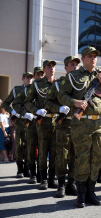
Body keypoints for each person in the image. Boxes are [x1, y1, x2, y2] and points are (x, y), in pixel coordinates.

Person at [58, 46, 101, 208]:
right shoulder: (73, 76)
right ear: (83, 59)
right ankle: (80, 194)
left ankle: (91, 192)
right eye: (89, 56)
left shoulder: (100, 76)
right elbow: (61, 95)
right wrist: (75, 102)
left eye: (95, 56)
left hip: (99, 124)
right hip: (81, 124)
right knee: (82, 159)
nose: (93, 58)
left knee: (96, 159)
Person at [45, 56, 80, 197]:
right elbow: (47, 102)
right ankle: (60, 185)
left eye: (77, 65)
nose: (75, 67)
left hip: (79, 124)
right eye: (72, 65)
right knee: (62, 155)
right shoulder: (58, 84)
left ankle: (71, 183)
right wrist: (58, 109)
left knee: (75, 156)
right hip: (64, 124)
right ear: (65, 68)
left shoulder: (82, 84)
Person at [24, 60, 57, 190]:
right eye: (49, 66)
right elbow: (27, 102)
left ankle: (52, 178)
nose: (51, 68)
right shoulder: (37, 84)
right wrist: (36, 110)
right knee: (43, 150)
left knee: (55, 152)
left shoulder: (59, 83)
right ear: (44, 69)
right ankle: (43, 179)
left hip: (56, 121)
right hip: (42, 122)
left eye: (53, 66)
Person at [12, 67, 45, 184]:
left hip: (44, 123)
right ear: (34, 76)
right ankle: (32, 173)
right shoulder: (27, 90)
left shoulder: (46, 88)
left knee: (42, 148)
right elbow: (15, 103)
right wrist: (23, 113)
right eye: (38, 75)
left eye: (42, 74)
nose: (40, 77)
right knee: (31, 147)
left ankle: (42, 174)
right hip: (30, 123)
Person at [2, 72, 33, 177]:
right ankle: (20, 169)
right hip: (19, 121)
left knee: (29, 146)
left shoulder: (34, 89)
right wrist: (11, 111)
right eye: (27, 78)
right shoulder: (16, 90)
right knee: (19, 145)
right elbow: (5, 103)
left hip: (30, 121)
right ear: (22, 79)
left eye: (30, 78)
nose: (29, 79)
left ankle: (27, 168)